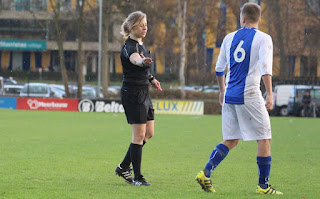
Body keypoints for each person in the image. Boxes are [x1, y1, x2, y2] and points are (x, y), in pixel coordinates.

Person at [195, 2, 283, 195]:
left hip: (229, 96)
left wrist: (221, 91)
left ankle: (206, 172)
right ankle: (263, 186)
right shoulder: (263, 38)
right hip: (249, 94)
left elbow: (219, 69)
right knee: (265, 138)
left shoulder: (229, 37)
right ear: (258, 19)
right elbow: (266, 69)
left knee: (231, 139)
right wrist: (269, 93)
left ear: (242, 19)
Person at [115, 11, 161, 186]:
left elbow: (143, 68)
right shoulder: (129, 46)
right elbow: (135, 61)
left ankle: (124, 166)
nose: (145, 28)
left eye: (146, 25)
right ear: (133, 27)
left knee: (148, 134)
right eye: (141, 25)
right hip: (132, 93)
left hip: (144, 92)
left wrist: (152, 79)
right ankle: (138, 177)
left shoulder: (142, 46)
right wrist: (142, 62)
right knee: (139, 135)